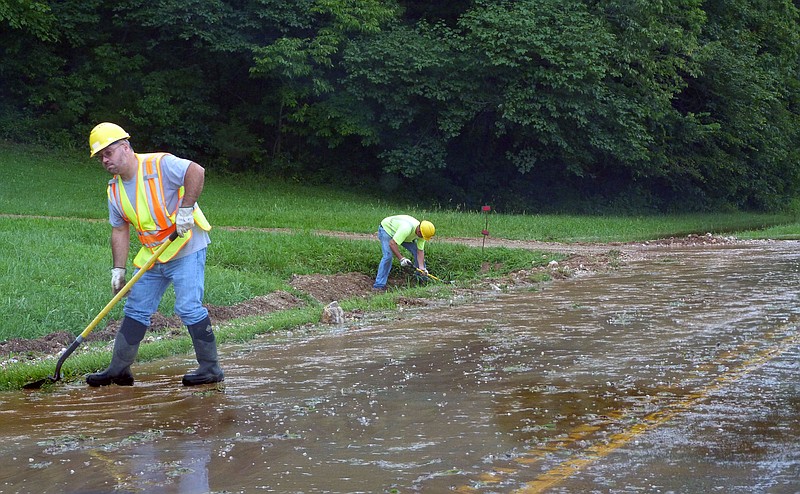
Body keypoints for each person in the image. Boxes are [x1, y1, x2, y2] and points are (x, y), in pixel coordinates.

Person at [86, 122, 223, 387]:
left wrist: (186, 209)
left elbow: (196, 170)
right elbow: (119, 230)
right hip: (154, 253)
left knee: (188, 307)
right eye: (101, 156)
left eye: (109, 152)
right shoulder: (114, 190)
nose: (105, 160)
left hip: (186, 245)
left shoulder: (159, 164)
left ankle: (211, 368)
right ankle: (118, 370)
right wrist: (119, 269)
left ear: (125, 148)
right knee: (135, 308)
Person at [373, 215, 435, 291]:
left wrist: (422, 267)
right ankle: (379, 285)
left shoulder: (423, 233)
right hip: (387, 229)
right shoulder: (406, 229)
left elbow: (420, 251)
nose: (422, 238)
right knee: (388, 256)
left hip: (405, 235)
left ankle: (421, 279)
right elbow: (392, 243)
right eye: (422, 236)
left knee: (416, 252)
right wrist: (401, 259)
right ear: (419, 231)